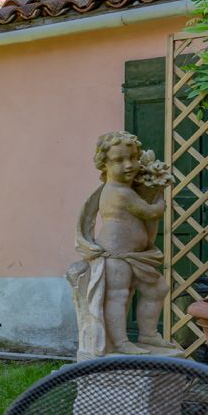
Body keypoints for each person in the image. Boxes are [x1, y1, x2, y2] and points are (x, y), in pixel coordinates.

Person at [71, 131, 177, 357]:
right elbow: (149, 212)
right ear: (104, 165)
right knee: (118, 297)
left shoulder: (128, 190)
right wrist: (159, 196)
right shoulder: (118, 192)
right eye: (119, 160)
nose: (128, 165)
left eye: (132, 158)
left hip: (135, 257)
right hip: (116, 257)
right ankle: (119, 342)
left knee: (158, 288)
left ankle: (148, 335)